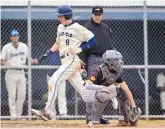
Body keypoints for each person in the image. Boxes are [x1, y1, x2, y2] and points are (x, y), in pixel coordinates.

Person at [31, 5, 96, 121]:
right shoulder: (60, 27)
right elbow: (57, 44)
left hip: (72, 60)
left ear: (67, 15)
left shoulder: (77, 27)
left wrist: (80, 49)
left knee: (53, 80)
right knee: (83, 90)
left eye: (61, 15)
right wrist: (42, 57)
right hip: (65, 60)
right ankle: (102, 102)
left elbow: (93, 40)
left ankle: (47, 110)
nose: (59, 17)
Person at [81, 50, 141, 126]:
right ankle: (94, 119)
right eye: (116, 60)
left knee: (122, 92)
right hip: (88, 93)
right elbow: (87, 85)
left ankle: (123, 119)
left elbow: (127, 90)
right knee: (102, 94)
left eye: (120, 60)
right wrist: (102, 87)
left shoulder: (117, 72)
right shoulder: (99, 70)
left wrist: (133, 106)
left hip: (102, 91)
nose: (119, 62)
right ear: (109, 61)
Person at [83, 6, 118, 124]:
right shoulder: (87, 27)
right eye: (95, 14)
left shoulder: (106, 27)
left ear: (102, 15)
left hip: (106, 60)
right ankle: (90, 116)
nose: (97, 16)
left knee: (105, 88)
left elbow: (110, 44)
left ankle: (98, 115)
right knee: (92, 87)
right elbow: (82, 47)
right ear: (91, 14)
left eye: (99, 14)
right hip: (93, 59)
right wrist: (83, 62)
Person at [0, 29, 37, 120]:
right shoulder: (6, 47)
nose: (15, 38)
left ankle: (18, 116)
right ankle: (13, 116)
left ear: (18, 37)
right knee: (12, 95)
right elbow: (1, 60)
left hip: (21, 72)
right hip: (11, 73)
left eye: (16, 36)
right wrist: (6, 63)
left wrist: (33, 61)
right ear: (10, 37)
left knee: (22, 95)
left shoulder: (23, 46)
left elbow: (29, 58)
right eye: (13, 36)